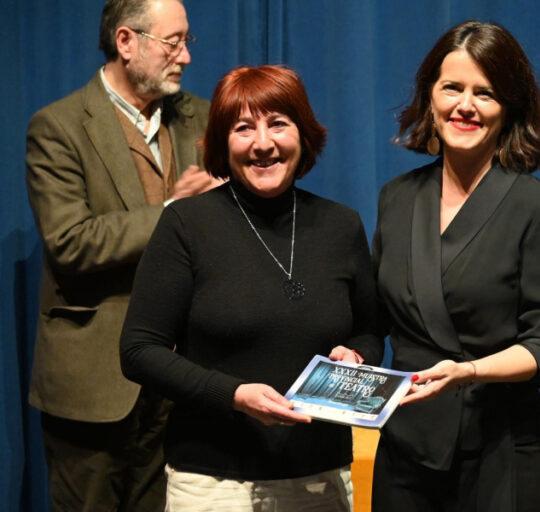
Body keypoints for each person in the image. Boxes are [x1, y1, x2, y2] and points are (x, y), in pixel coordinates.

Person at [120, 65, 382, 511]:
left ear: (303, 134)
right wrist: (234, 395)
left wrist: (356, 359)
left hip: (322, 478)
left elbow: (371, 332)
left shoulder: (342, 225)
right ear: (224, 141)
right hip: (214, 483)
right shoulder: (187, 224)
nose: (263, 143)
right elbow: (139, 350)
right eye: (244, 128)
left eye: (278, 123)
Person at [371, 20, 540, 512]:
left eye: (484, 93)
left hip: (497, 456)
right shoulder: (396, 198)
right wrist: (350, 353)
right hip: (405, 453)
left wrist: (468, 371)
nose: (465, 105)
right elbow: (372, 318)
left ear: (509, 108)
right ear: (430, 96)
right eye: (452, 88)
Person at [25, 0, 217, 510]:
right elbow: (71, 241)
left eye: (186, 41)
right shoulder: (59, 127)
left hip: (179, 380)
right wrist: (178, 210)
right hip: (95, 387)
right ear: (126, 43)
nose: (186, 56)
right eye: (172, 42)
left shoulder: (200, 118)